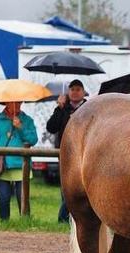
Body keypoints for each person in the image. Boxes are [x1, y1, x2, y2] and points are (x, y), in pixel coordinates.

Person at [46, 79, 87, 223]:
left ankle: (75, 218)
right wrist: (59, 108)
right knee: (66, 187)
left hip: (84, 154)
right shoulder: (62, 108)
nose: (75, 92)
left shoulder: (89, 108)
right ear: (68, 92)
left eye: (78, 89)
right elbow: (51, 127)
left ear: (83, 92)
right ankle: (64, 218)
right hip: (66, 155)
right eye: (72, 89)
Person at [0, 102, 38, 221]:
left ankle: (25, 222)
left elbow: (33, 139)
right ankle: (4, 224)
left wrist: (20, 128)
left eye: (19, 102)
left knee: (22, 197)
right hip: (2, 165)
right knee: (3, 197)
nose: (17, 104)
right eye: (13, 102)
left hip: (21, 165)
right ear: (6, 103)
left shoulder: (27, 120)